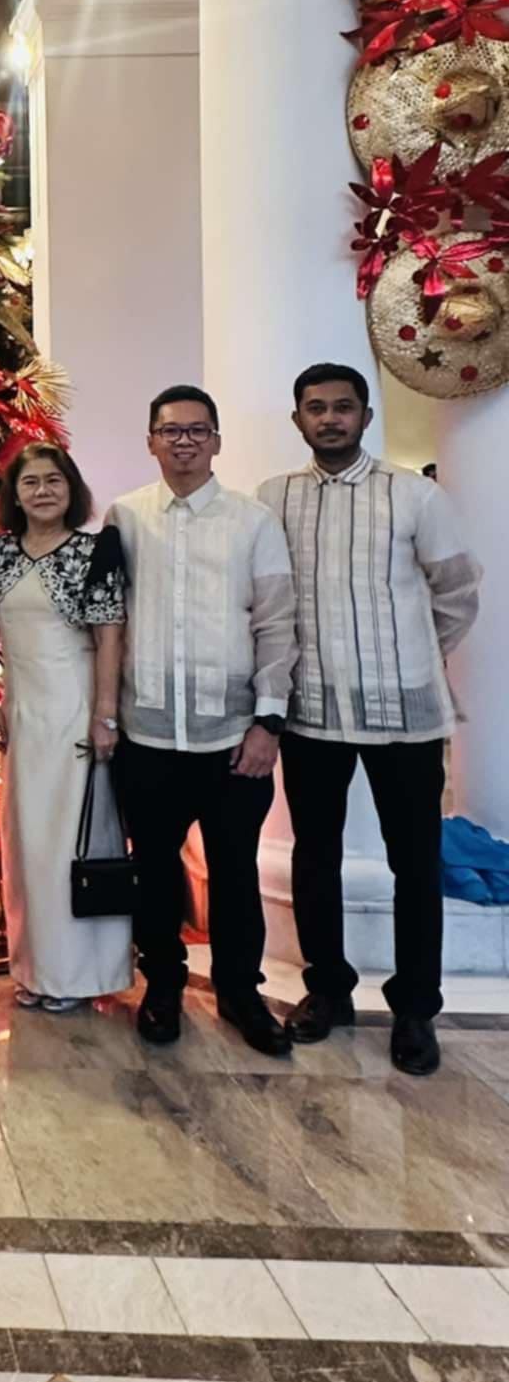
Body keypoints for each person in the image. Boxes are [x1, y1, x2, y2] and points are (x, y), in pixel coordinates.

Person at [258, 363, 481, 1077]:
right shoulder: (273, 498)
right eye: (316, 407)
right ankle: (327, 990)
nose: (330, 419)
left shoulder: (414, 495)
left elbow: (458, 591)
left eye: (343, 407)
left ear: (365, 416)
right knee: (314, 854)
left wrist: (412, 654)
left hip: (404, 714)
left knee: (414, 861)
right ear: (298, 419)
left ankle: (415, 1008)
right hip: (312, 709)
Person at [106, 385, 298, 1056]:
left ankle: (241, 993)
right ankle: (162, 985)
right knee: (155, 869)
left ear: (216, 440)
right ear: (150, 441)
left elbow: (277, 625)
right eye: (170, 430)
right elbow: (109, 620)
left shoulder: (253, 522)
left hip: (233, 736)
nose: (183, 441)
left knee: (235, 871)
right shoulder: (125, 517)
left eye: (196, 430)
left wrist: (268, 722)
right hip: (148, 733)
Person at [0, 443, 131, 1011]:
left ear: (72, 490)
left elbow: (110, 636)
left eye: (53, 481)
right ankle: (34, 969)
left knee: (74, 839)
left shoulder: (95, 551)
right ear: (14, 496)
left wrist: (105, 714)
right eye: (30, 482)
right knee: (28, 843)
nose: (42, 491)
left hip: (76, 710)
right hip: (22, 711)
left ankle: (79, 976)